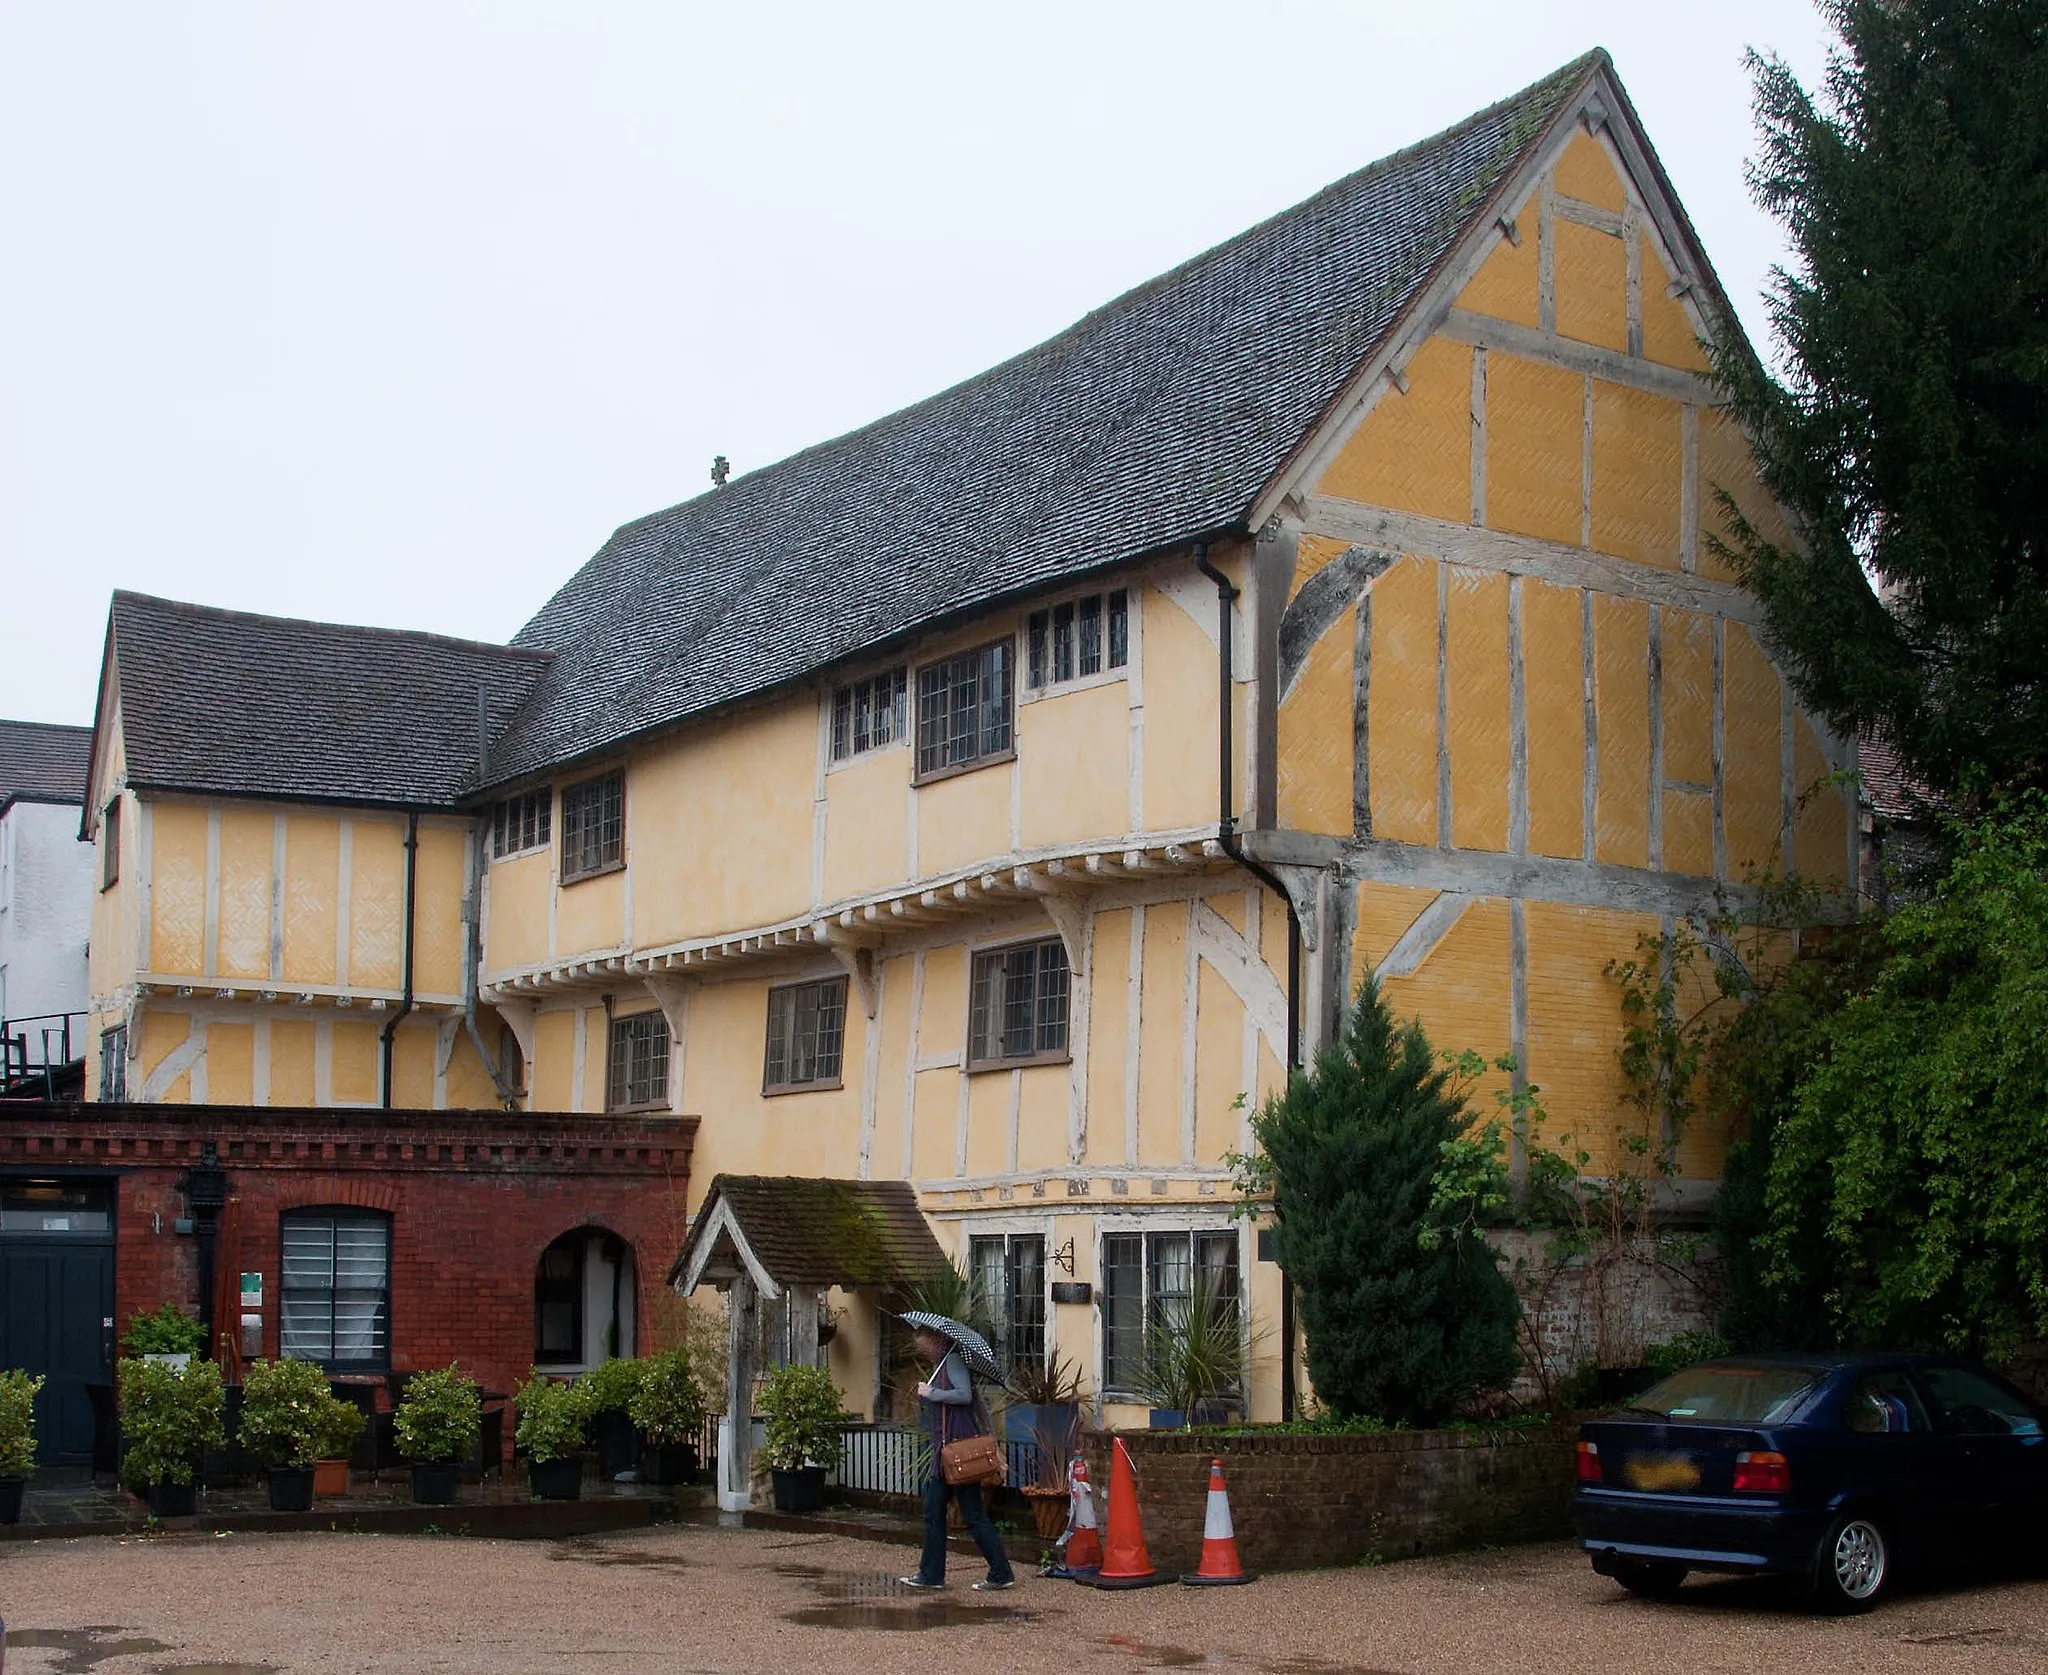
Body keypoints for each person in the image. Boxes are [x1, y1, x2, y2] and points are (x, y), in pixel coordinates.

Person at [898, 1327, 1016, 1591]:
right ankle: (932, 1574)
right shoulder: (942, 1364)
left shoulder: (952, 1361)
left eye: (925, 1348)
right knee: (935, 1511)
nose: (924, 1354)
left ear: (938, 1341)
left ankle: (1000, 1571)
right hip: (946, 1451)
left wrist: (933, 1394)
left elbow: (964, 1395)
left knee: (970, 1513)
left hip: (956, 1448)